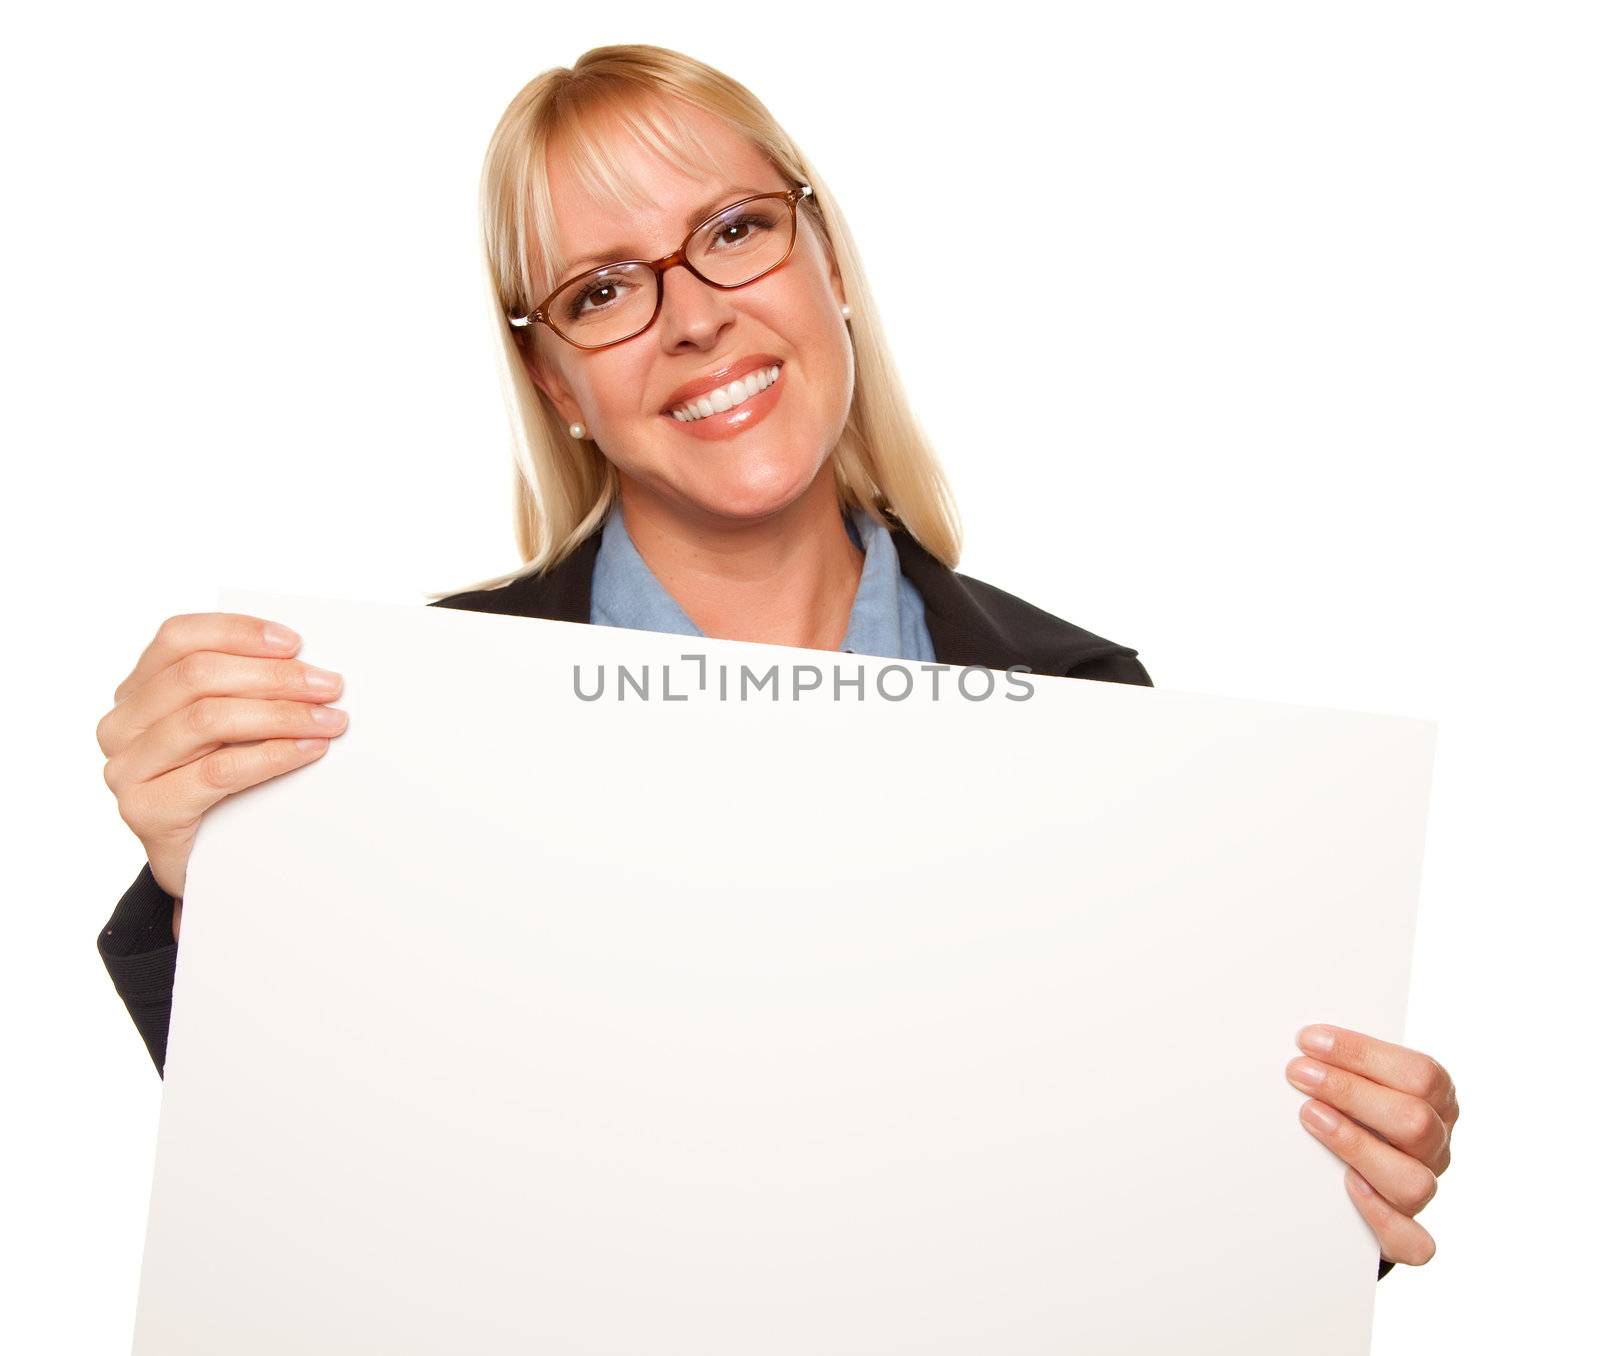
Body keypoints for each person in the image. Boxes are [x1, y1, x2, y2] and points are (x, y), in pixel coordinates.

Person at [94, 43, 1455, 1278]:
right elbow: (325, 1207)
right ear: (560, 383)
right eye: (604, 288)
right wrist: (210, 877)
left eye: (736, 231)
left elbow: (1131, 1217)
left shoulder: (1093, 713)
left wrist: (1326, 1185)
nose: (692, 318)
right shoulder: (392, 731)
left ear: (831, 267)